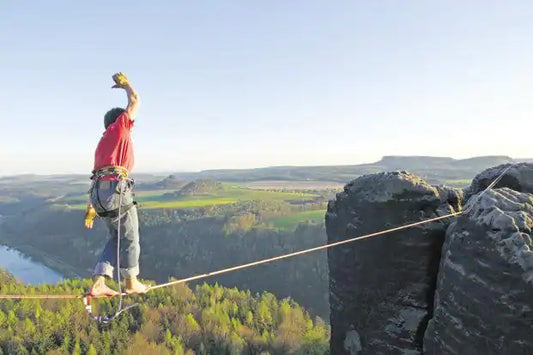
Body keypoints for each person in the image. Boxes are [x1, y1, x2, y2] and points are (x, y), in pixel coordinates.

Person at [83, 72, 150, 297]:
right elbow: (135, 101)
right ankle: (132, 282)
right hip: (116, 192)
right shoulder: (120, 128)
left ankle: (99, 281)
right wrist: (126, 85)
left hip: (100, 196)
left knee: (117, 237)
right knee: (131, 237)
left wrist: (90, 212)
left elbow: (97, 179)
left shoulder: (102, 144)